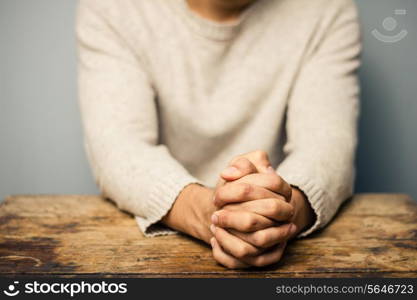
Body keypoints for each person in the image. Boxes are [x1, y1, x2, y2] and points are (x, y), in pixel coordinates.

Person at [76, 0, 361, 268]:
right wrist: (213, 215)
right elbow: (118, 147)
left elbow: (327, 147)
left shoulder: (327, 10)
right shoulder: (112, 8)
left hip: (277, 217)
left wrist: (279, 215)